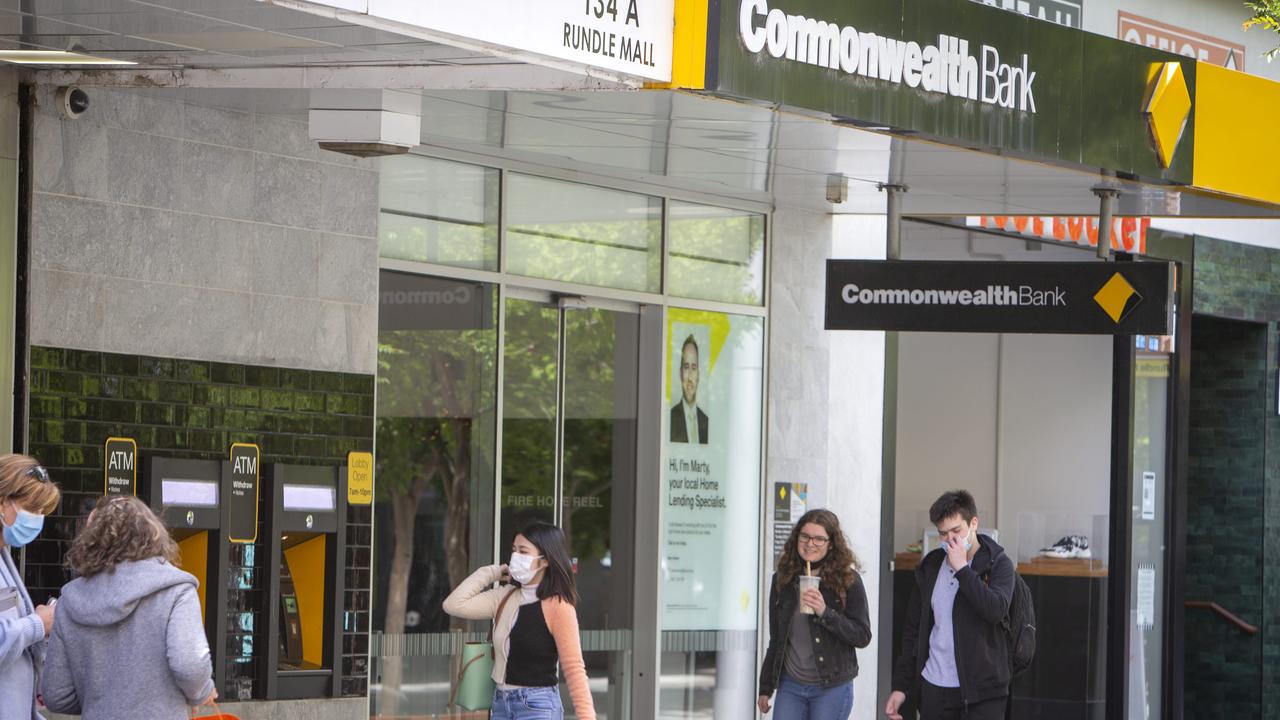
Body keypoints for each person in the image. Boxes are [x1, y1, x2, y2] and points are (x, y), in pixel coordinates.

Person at [40, 495, 217, 719]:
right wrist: (202, 692)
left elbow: (57, 694)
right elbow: (190, 666)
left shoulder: (70, 600)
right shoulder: (176, 590)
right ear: (153, 535)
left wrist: (106, 703)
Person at [443, 521, 595, 720]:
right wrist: (493, 573)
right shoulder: (505, 597)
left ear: (545, 560)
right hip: (500, 703)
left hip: (537, 705)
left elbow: (574, 668)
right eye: (514, 550)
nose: (516, 556)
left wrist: (587, 716)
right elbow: (453, 604)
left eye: (523, 551)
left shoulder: (558, 607)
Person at [885, 490, 1014, 720]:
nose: (950, 539)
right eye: (943, 533)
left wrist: (963, 569)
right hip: (935, 685)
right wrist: (901, 686)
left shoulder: (998, 564)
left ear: (973, 523)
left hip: (982, 692)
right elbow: (913, 631)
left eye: (957, 530)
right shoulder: (931, 566)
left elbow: (995, 611)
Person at [757, 509, 871, 719]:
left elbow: (862, 636)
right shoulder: (783, 579)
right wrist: (765, 687)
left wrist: (824, 612)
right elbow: (777, 639)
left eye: (819, 539)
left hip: (832, 687)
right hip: (791, 684)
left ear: (831, 543)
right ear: (796, 538)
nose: (810, 544)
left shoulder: (848, 580)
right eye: (805, 536)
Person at [0, 454, 60, 720]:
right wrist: (38, 623)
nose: (37, 519)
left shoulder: (4, 557)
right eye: (32, 509)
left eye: (42, 512)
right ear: (3, 502)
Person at [669, 334, 709, 444]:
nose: (690, 376)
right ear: (680, 372)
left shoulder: (706, 422)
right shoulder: (669, 419)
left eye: (694, 368)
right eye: (686, 367)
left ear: (699, 375)